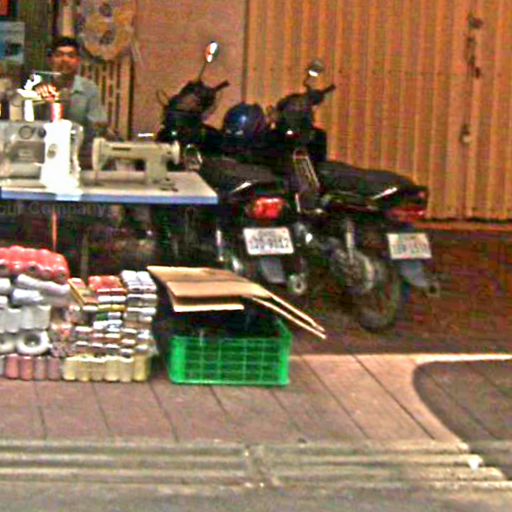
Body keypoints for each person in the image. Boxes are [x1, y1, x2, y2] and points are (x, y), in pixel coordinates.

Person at [34, 35, 108, 168]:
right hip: (42, 155)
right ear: (50, 60)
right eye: (59, 55)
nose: (65, 60)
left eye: (71, 56)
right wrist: (43, 103)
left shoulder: (89, 89)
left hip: (79, 156)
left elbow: (97, 128)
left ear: (78, 61)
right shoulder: (38, 88)